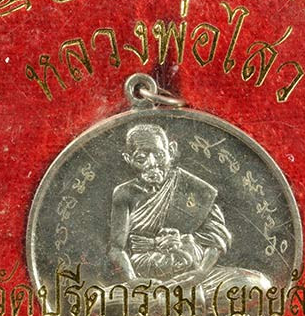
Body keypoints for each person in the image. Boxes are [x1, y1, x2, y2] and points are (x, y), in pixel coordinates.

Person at [108, 123, 269, 302]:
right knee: (99, 304)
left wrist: (200, 272)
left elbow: (215, 240)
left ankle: (166, 303)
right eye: (141, 158)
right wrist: (132, 280)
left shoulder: (195, 188)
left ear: (171, 150)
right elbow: (117, 248)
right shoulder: (124, 193)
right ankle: (169, 302)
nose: (152, 164)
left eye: (159, 155)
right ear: (128, 158)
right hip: (147, 278)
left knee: (257, 285)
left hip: (193, 272)